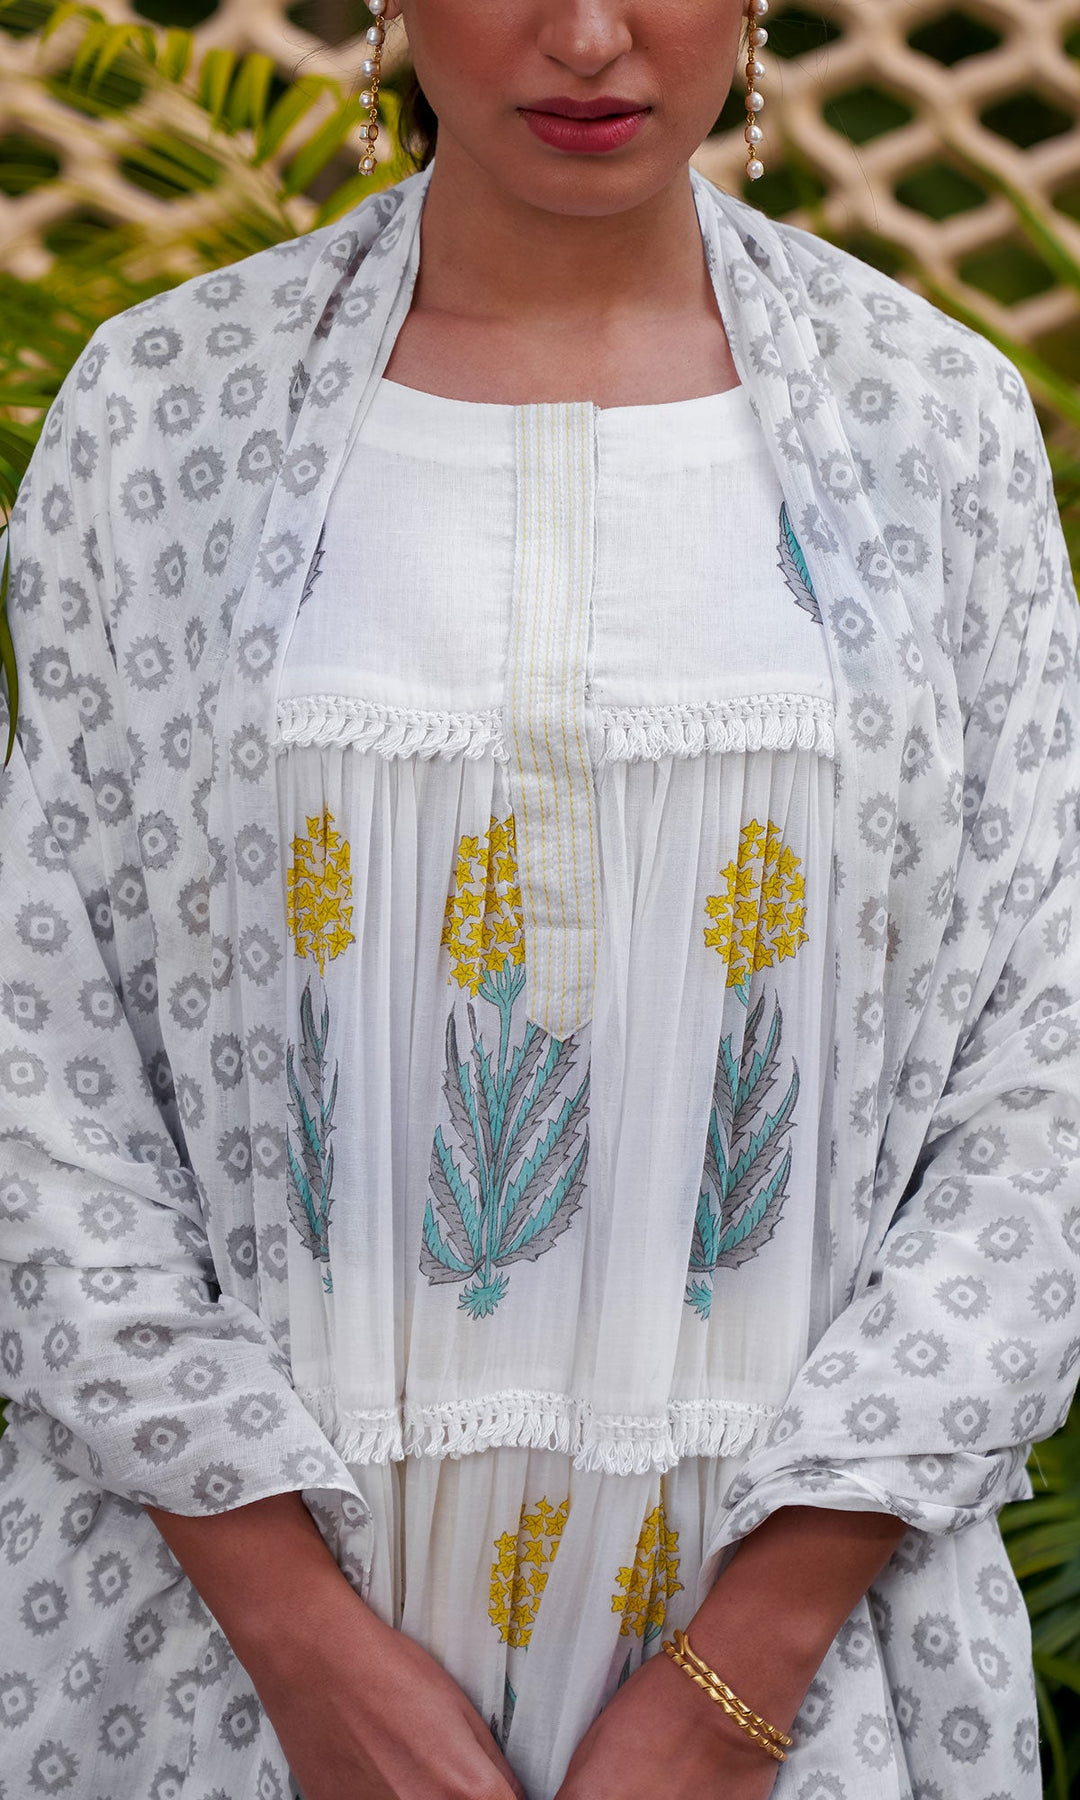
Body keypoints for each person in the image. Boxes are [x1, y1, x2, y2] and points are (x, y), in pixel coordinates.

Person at [2, 1, 1079, 1795]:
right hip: (224, 1666)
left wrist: (735, 1687)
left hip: (801, 1686)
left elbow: (1045, 1076)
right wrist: (303, 1649)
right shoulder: (165, 413)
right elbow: (43, 1063)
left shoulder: (932, 424)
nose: (589, 37)